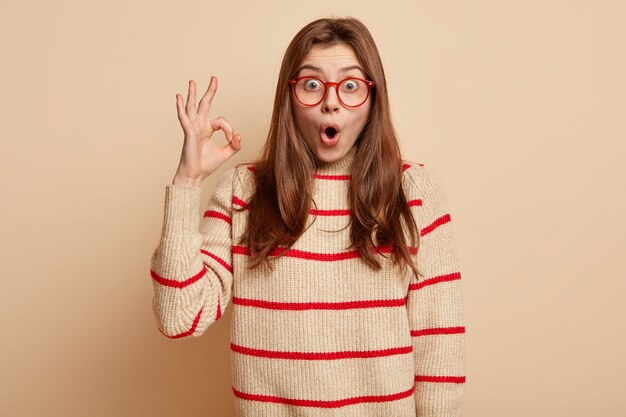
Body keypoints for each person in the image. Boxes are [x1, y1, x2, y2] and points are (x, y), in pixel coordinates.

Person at [150, 16, 466, 417]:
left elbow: (440, 347)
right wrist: (187, 181)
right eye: (312, 84)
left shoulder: (415, 192)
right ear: (289, 97)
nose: (331, 101)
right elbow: (179, 317)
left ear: (373, 100)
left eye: (350, 86)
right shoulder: (241, 192)